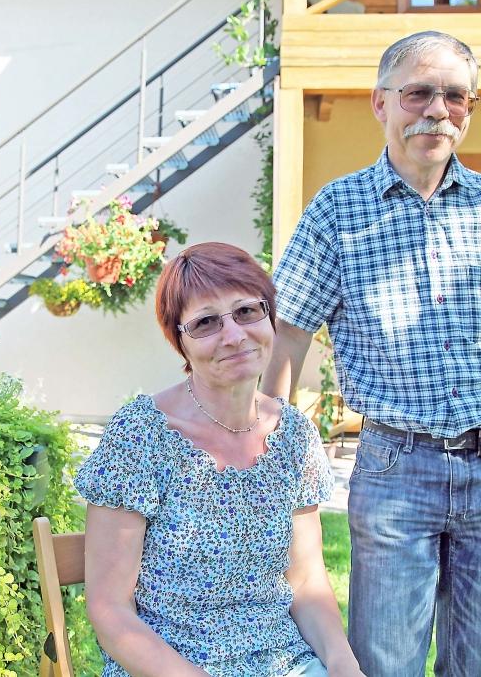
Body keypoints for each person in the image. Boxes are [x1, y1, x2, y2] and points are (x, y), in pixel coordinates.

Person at [261, 31, 481, 677]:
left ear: (469, 108)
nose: (436, 110)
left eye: (455, 96)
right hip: (397, 467)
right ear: (380, 103)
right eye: (418, 92)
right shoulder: (336, 211)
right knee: (385, 661)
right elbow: (289, 331)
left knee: (478, 664)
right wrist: (270, 433)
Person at [75, 242, 365, 677]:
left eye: (247, 312)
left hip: (284, 663)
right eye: (206, 322)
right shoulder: (141, 435)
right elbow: (111, 612)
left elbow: (306, 582)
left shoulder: (293, 436)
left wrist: (344, 665)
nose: (233, 335)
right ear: (180, 342)